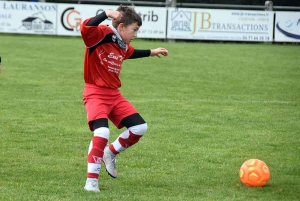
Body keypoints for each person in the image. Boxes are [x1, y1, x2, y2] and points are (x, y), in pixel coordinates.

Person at [80, 5, 168, 192]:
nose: (136, 34)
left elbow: (130, 53)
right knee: (102, 133)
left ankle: (110, 153)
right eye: (134, 29)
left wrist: (152, 52)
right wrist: (106, 14)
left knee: (139, 127)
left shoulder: (122, 43)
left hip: (114, 95)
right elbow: (85, 28)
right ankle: (91, 182)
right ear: (121, 27)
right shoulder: (101, 34)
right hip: (95, 93)